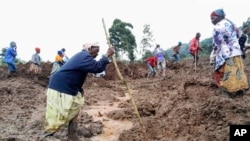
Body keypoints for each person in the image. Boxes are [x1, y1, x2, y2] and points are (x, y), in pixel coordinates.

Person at [44, 42, 114, 140]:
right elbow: (97, 67)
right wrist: (106, 55)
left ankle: (72, 136)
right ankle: (48, 135)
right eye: (96, 51)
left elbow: (78, 74)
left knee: (75, 108)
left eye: (99, 52)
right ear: (89, 48)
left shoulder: (83, 57)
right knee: (59, 113)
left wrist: (79, 90)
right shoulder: (84, 56)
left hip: (68, 87)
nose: (97, 54)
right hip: (61, 87)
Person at [210, 9, 249, 95]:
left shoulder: (217, 27)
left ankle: (229, 93)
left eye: (213, 18)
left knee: (226, 74)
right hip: (236, 52)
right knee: (237, 72)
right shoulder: (231, 24)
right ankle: (240, 91)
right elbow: (241, 35)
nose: (211, 21)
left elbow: (216, 45)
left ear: (219, 17)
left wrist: (213, 56)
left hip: (226, 55)